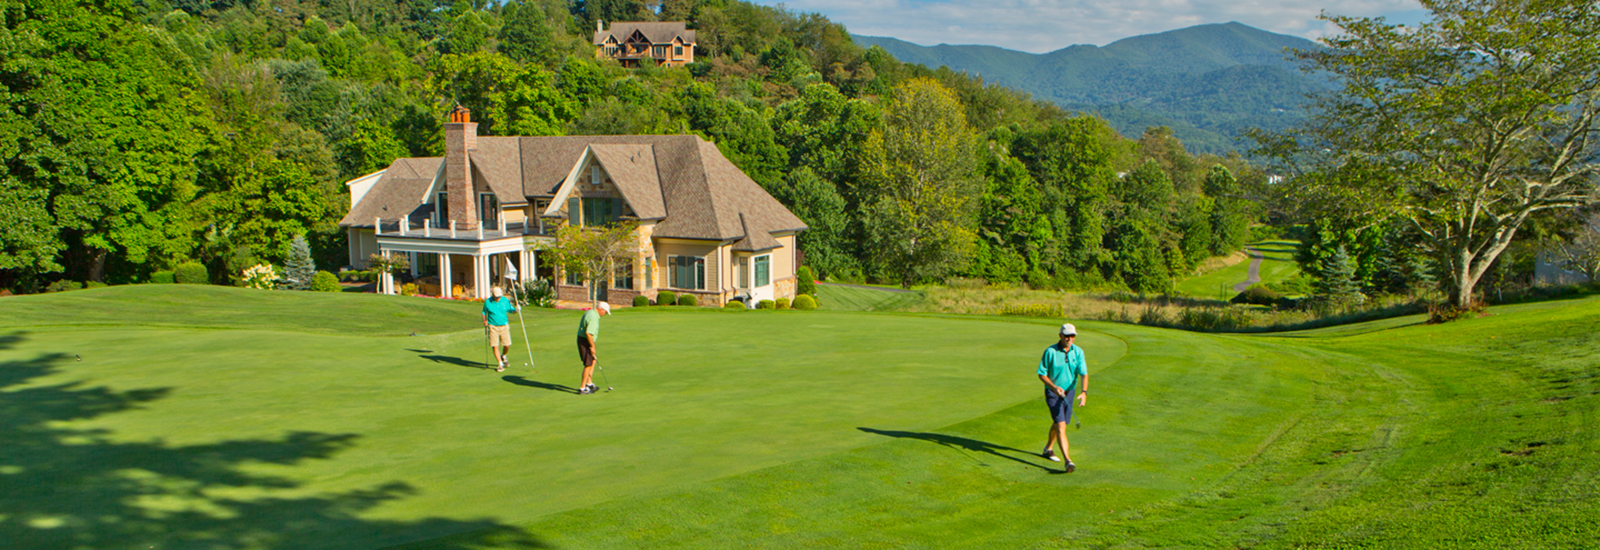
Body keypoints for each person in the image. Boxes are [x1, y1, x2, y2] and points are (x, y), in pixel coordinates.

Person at [1038, 323, 1088, 473]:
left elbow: (1084, 374)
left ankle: (1048, 449)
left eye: (1072, 336)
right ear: (1060, 335)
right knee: (1061, 426)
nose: (1069, 338)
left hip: (1069, 392)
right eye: (1066, 336)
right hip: (1053, 393)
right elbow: (1041, 374)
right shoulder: (1050, 352)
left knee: (1059, 422)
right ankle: (1068, 461)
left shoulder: (1078, 352)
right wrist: (1054, 387)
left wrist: (1084, 392)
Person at [481, 286, 519, 373]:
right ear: (493, 295)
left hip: (504, 326)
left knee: (507, 345)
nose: (498, 298)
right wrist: (484, 320)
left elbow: (511, 310)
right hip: (493, 326)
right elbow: (484, 312)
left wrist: (516, 310)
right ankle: (500, 364)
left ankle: (504, 356)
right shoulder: (488, 302)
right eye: (496, 296)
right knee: (495, 345)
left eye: (499, 296)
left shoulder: (505, 301)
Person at [576, 301, 610, 394]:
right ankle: (582, 388)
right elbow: (589, 333)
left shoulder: (590, 312)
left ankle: (589, 383)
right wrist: (592, 346)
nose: (604, 314)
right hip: (585, 340)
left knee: (593, 360)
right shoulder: (594, 317)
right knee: (588, 364)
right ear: (601, 309)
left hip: (583, 339)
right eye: (605, 312)